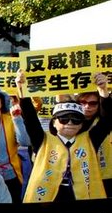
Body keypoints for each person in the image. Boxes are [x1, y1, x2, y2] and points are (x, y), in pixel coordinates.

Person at [17, 71, 111, 202]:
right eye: (64, 119)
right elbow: (30, 118)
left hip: (81, 197)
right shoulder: (42, 140)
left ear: (81, 124)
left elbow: (107, 121)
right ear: (54, 122)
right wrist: (22, 89)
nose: (70, 123)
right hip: (49, 197)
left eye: (76, 119)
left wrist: (103, 90)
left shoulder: (90, 139)